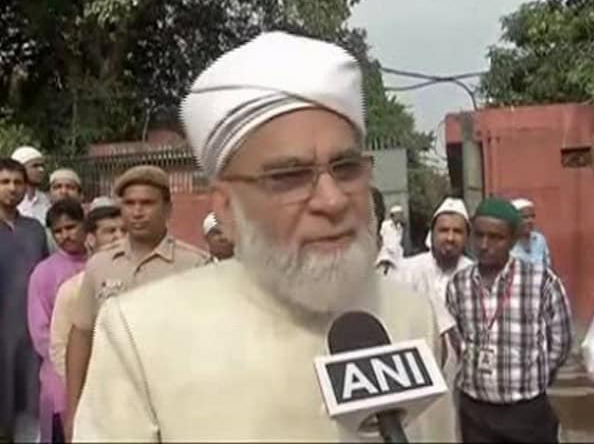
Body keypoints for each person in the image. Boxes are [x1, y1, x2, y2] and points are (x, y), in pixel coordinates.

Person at [73, 31, 452, 442]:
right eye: (290, 177)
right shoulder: (140, 334)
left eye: (346, 168)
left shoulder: (411, 315)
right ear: (226, 209)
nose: (332, 200)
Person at [64, 165, 208, 440]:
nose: (137, 211)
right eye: (129, 204)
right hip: (112, 401)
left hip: (174, 401)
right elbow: (81, 335)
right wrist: (73, 409)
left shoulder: (194, 265)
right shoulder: (100, 265)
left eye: (147, 203)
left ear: (167, 209)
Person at [446, 197, 572, 443]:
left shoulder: (541, 282)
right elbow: (457, 340)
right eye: (479, 235)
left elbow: (561, 342)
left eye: (496, 237)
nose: (485, 245)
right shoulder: (458, 284)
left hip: (527, 412)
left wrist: (535, 374)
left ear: (513, 239)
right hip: (475, 412)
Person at [27, 199, 88, 443]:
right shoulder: (43, 273)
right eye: (58, 231)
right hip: (59, 379)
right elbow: (41, 332)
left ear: (84, 224)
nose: (65, 235)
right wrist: (69, 365)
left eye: (71, 227)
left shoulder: (100, 265)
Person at [49, 197, 125, 385]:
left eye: (124, 231)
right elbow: (59, 348)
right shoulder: (73, 289)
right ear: (90, 239)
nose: (119, 237)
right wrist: (81, 388)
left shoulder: (140, 281)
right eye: (110, 231)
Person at [0, 158, 48, 442]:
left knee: (29, 408)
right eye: (4, 182)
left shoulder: (34, 229)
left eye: (18, 182)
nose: (12, 188)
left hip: (30, 333)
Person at [397, 197, 472, 365]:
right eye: (443, 230)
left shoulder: (473, 275)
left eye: (457, 231)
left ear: (467, 237)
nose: (450, 238)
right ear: (432, 234)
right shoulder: (408, 270)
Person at [11, 146, 51, 225]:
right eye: (35, 166)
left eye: (42, 166)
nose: (41, 170)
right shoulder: (8, 200)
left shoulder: (46, 201)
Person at [510, 198, 551, 266]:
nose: (530, 221)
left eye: (532, 217)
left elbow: (547, 266)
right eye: (524, 217)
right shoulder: (507, 243)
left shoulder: (539, 239)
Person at [377, 204, 408, 272]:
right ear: (393, 216)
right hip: (387, 251)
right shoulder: (386, 224)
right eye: (399, 215)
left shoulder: (400, 227)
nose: (400, 217)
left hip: (397, 252)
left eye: (401, 215)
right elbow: (381, 236)